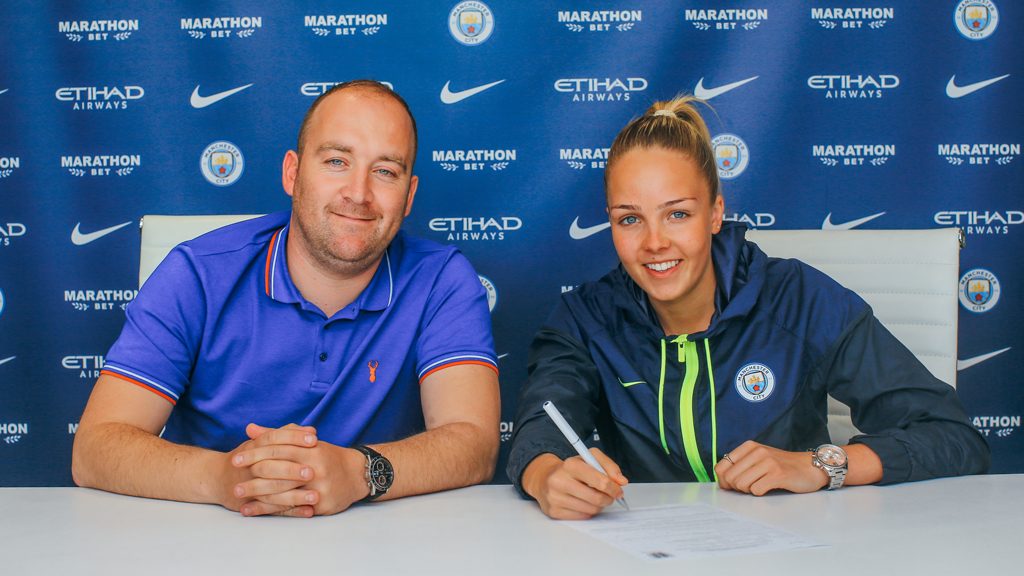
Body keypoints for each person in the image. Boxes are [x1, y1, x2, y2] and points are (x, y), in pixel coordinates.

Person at [506, 96, 989, 520]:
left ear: (716, 213)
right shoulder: (585, 318)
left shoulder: (797, 297)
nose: (654, 242)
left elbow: (952, 436)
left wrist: (821, 465)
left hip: (797, 548)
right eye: (629, 219)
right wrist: (547, 476)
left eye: (678, 213)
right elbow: (538, 432)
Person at [72, 80, 501, 518]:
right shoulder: (197, 272)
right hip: (208, 538)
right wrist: (227, 477)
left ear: (409, 196)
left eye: (386, 171)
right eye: (337, 161)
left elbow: (474, 442)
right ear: (292, 173)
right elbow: (94, 448)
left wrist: (358, 472)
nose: (358, 193)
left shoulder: (441, 279)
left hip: (377, 546)